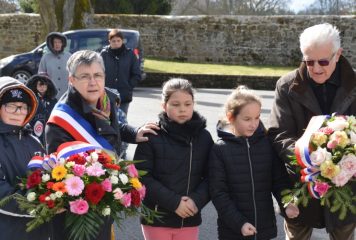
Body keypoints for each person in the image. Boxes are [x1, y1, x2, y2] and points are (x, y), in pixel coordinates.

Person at [45, 50, 158, 240]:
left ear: (104, 76)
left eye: (97, 75)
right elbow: (64, 178)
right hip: (79, 216)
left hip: (103, 204)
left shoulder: (105, 99)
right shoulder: (61, 121)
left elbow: (113, 127)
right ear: (71, 80)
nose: (93, 82)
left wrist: (133, 132)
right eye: (84, 76)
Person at [268, 23, 356, 240]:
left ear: (338, 54)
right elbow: (279, 135)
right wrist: (312, 159)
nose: (316, 68)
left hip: (346, 186)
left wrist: (342, 160)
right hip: (299, 184)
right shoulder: (286, 86)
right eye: (309, 61)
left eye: (323, 61)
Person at [209, 86, 299, 240]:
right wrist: (240, 223)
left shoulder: (267, 144)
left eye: (257, 117)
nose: (253, 124)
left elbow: (279, 181)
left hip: (264, 229)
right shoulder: (219, 150)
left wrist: (288, 204)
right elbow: (219, 194)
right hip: (233, 231)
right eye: (247, 119)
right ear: (231, 117)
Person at [134, 78, 213, 240]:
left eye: (187, 104)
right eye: (175, 105)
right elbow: (141, 176)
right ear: (164, 105)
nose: (182, 109)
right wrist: (174, 203)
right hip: (156, 219)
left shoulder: (204, 137)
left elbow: (213, 176)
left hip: (189, 218)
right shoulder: (152, 135)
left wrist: (196, 201)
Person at [0, 77, 51, 240]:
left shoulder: (34, 140)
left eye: (23, 107)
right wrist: (41, 207)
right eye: (11, 106)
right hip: (8, 231)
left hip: (39, 231)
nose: (18, 112)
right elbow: (3, 196)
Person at [100, 29, 141, 116]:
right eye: (113, 41)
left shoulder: (130, 54)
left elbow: (136, 74)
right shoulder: (104, 54)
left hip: (124, 95)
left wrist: (129, 86)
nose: (116, 43)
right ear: (109, 41)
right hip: (106, 95)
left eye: (118, 41)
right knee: (106, 121)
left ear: (122, 41)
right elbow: (98, 72)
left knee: (122, 121)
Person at [26, 74, 57, 146]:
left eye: (44, 85)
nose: (42, 87)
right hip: (34, 124)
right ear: (35, 86)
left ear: (48, 86)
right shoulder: (32, 99)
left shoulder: (53, 100)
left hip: (48, 126)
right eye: (40, 85)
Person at [38, 32, 71, 98]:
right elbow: (41, 77)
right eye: (55, 42)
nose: (57, 44)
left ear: (63, 44)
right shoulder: (45, 57)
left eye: (59, 42)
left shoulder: (69, 56)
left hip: (67, 95)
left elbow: (74, 75)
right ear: (51, 44)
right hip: (51, 95)